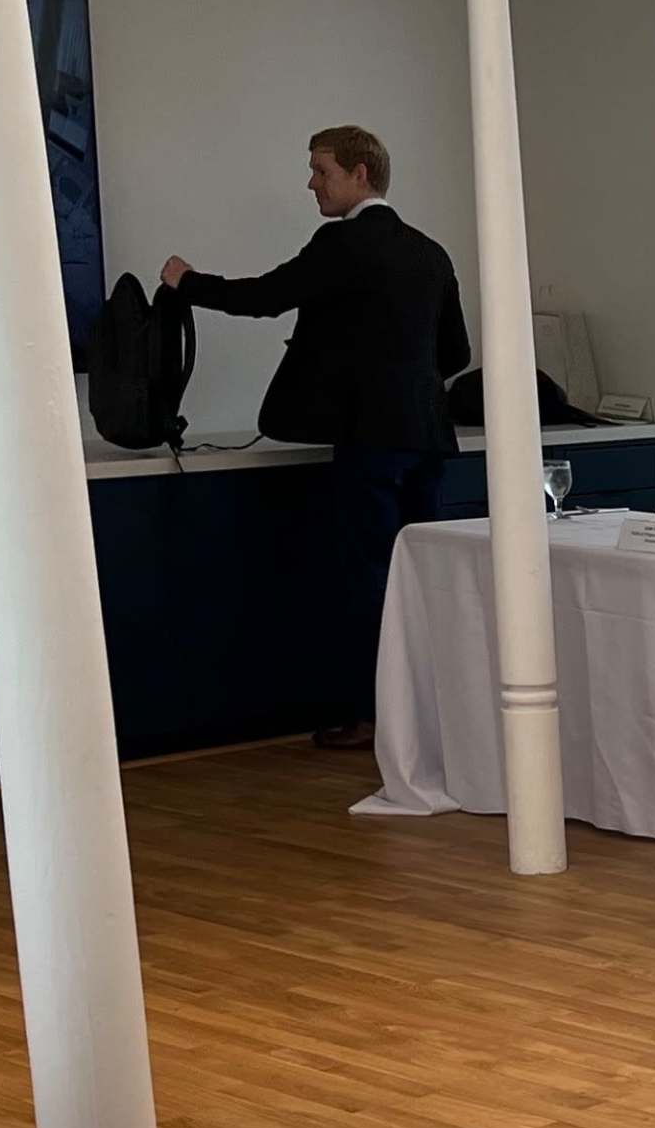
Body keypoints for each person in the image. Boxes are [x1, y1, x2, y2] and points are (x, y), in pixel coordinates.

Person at [164, 125, 468, 752]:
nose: (310, 183)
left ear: (361, 176)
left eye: (321, 171)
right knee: (424, 583)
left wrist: (187, 282)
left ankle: (369, 718)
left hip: (370, 442)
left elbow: (267, 298)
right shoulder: (431, 253)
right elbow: (456, 351)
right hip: (432, 442)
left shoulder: (343, 244)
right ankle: (436, 718)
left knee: (365, 581)